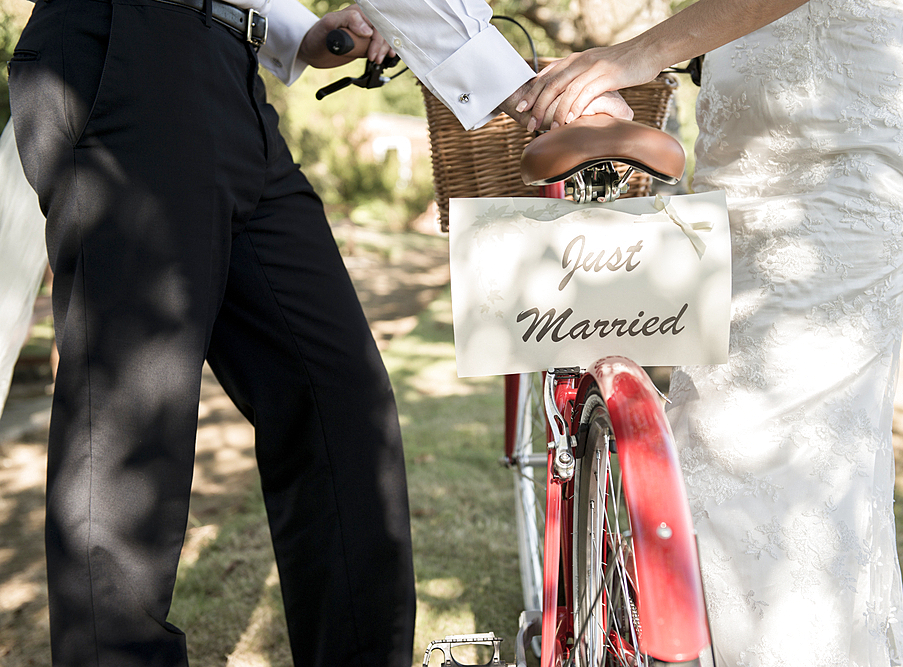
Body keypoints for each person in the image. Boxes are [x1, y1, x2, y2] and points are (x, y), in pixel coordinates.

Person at [6, 0, 631, 664]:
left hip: (228, 70)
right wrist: (523, 89)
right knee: (134, 423)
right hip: (128, 49)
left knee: (341, 400)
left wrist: (293, 32)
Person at [513, 1, 903, 665]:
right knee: (703, 429)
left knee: (771, 442)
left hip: (852, 119)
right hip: (740, 137)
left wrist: (629, 57)